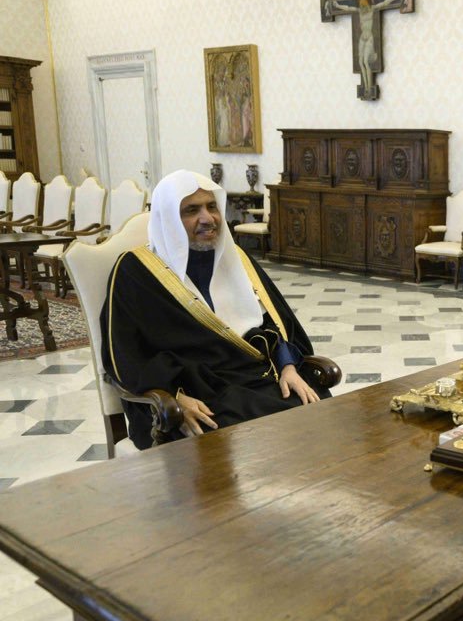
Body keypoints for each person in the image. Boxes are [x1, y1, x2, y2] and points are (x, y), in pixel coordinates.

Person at [101, 170, 332, 449]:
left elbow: (276, 322)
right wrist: (175, 397)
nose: (207, 218)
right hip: (196, 394)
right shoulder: (134, 270)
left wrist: (288, 367)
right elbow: (124, 354)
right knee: (239, 438)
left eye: (212, 207)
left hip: (256, 378)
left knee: (317, 411)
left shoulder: (236, 259)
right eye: (191, 210)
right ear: (168, 219)